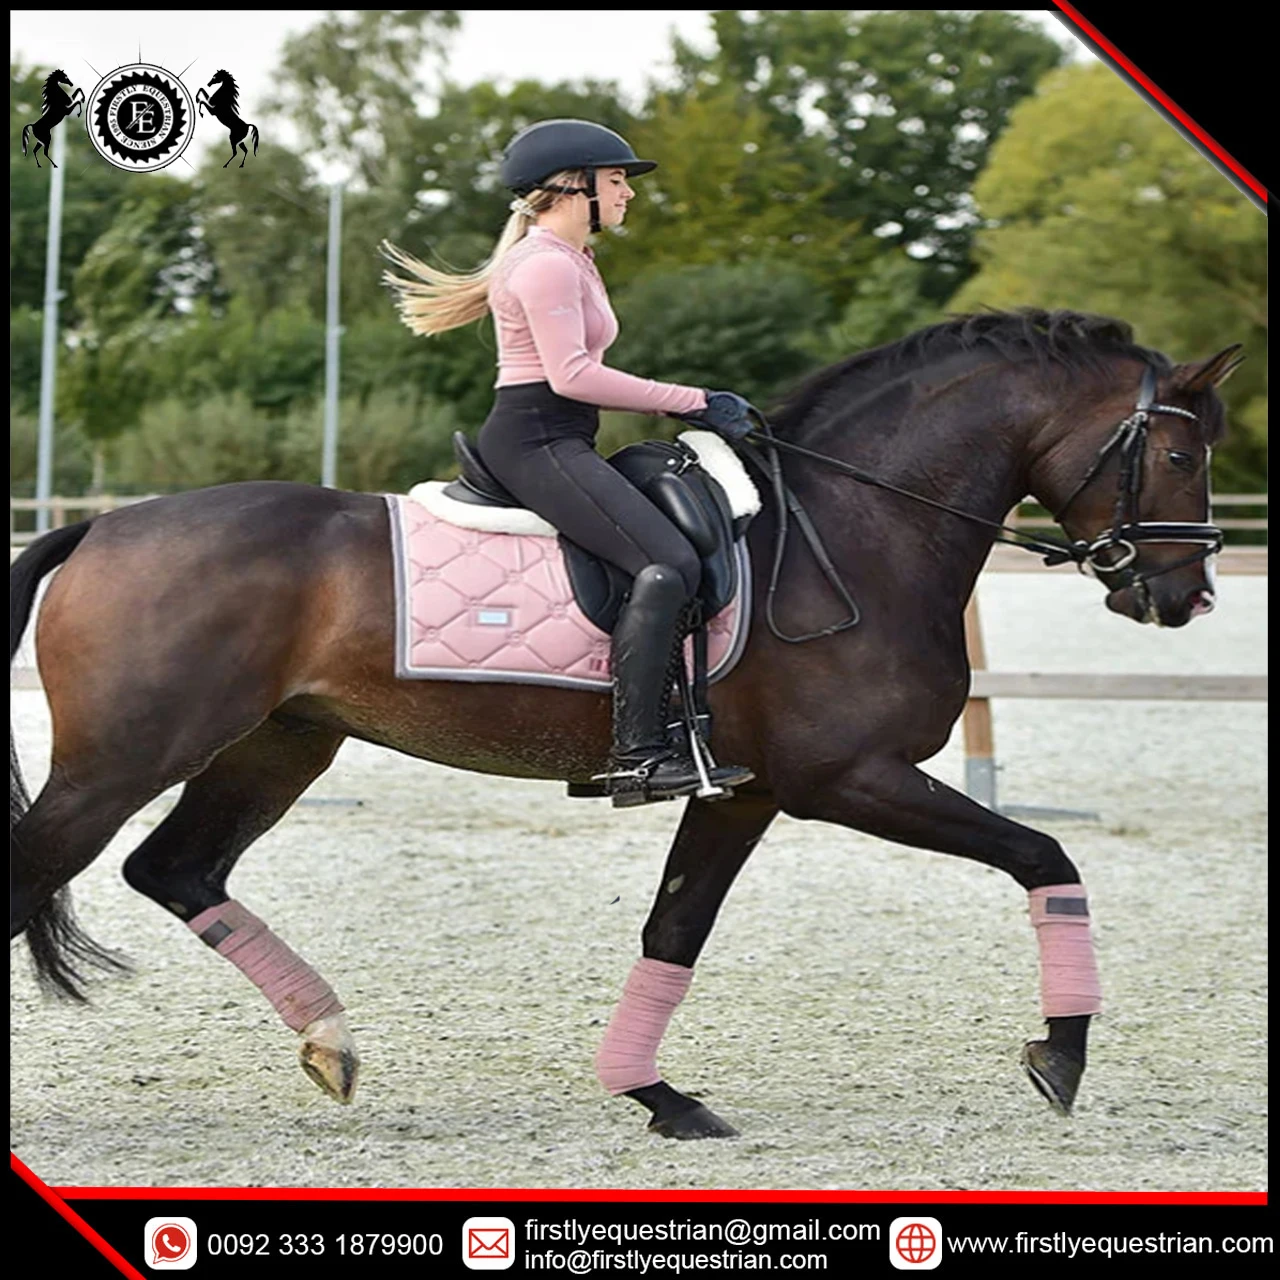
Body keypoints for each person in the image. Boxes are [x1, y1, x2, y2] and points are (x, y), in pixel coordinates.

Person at [380, 118, 756, 806]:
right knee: (663, 564)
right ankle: (637, 755)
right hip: (536, 439)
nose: (627, 195)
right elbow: (573, 376)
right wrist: (694, 400)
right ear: (573, 186)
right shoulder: (547, 263)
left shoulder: (571, 258)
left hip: (563, 438)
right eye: (616, 181)